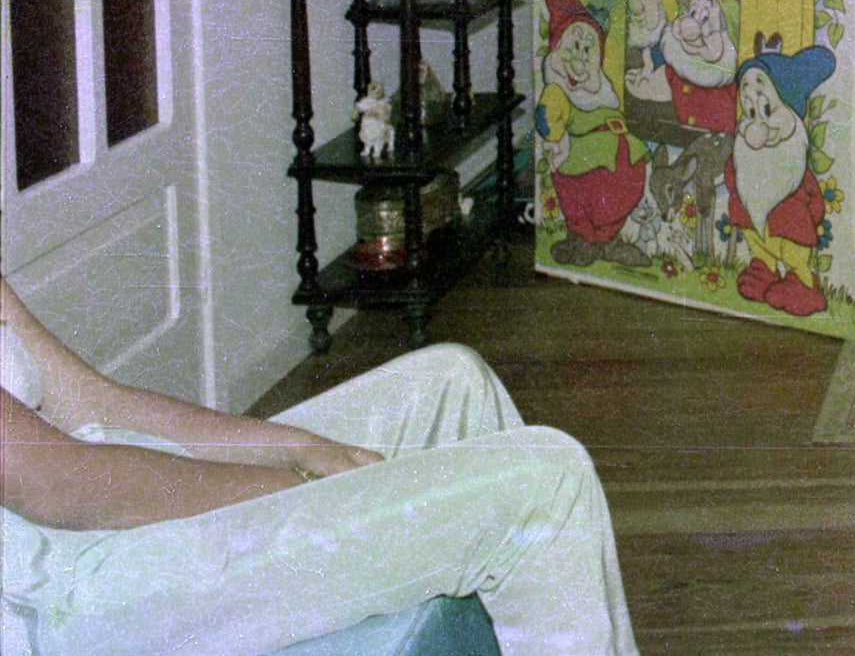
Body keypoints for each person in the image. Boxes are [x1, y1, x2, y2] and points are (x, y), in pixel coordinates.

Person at [0, 273, 636, 655]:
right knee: (547, 479)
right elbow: (62, 486)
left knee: (452, 381)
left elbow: (95, 404)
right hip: (70, 595)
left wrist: (297, 446)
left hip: (114, 512)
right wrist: (287, 487)